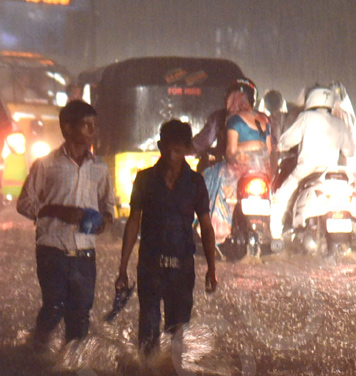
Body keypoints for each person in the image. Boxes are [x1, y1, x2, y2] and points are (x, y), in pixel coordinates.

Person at [16, 99, 116, 346]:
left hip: (84, 252)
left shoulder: (100, 168)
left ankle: (74, 371)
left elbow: (109, 207)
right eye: (86, 125)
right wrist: (57, 210)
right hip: (52, 249)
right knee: (54, 308)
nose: (93, 131)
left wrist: (104, 222)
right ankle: (36, 352)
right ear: (68, 129)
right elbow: (24, 203)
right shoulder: (46, 164)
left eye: (95, 125)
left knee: (80, 316)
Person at [115, 120, 219, 356]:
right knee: (148, 327)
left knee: (177, 331)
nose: (173, 156)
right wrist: (123, 267)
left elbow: (206, 226)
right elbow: (133, 223)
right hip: (150, 266)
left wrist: (212, 268)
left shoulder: (195, 183)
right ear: (161, 147)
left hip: (182, 268)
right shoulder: (144, 180)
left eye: (179, 151)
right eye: (169, 149)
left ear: (186, 150)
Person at [270, 84, 356, 245]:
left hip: (305, 171)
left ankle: (275, 239)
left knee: (278, 198)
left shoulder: (306, 118)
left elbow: (286, 141)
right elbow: (350, 151)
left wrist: (281, 145)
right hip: (330, 176)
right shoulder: (339, 122)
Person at [201, 78, 272, 245]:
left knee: (211, 176)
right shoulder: (264, 119)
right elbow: (269, 150)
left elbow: (231, 151)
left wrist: (235, 160)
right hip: (261, 167)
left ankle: (218, 229)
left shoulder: (233, 120)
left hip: (242, 166)